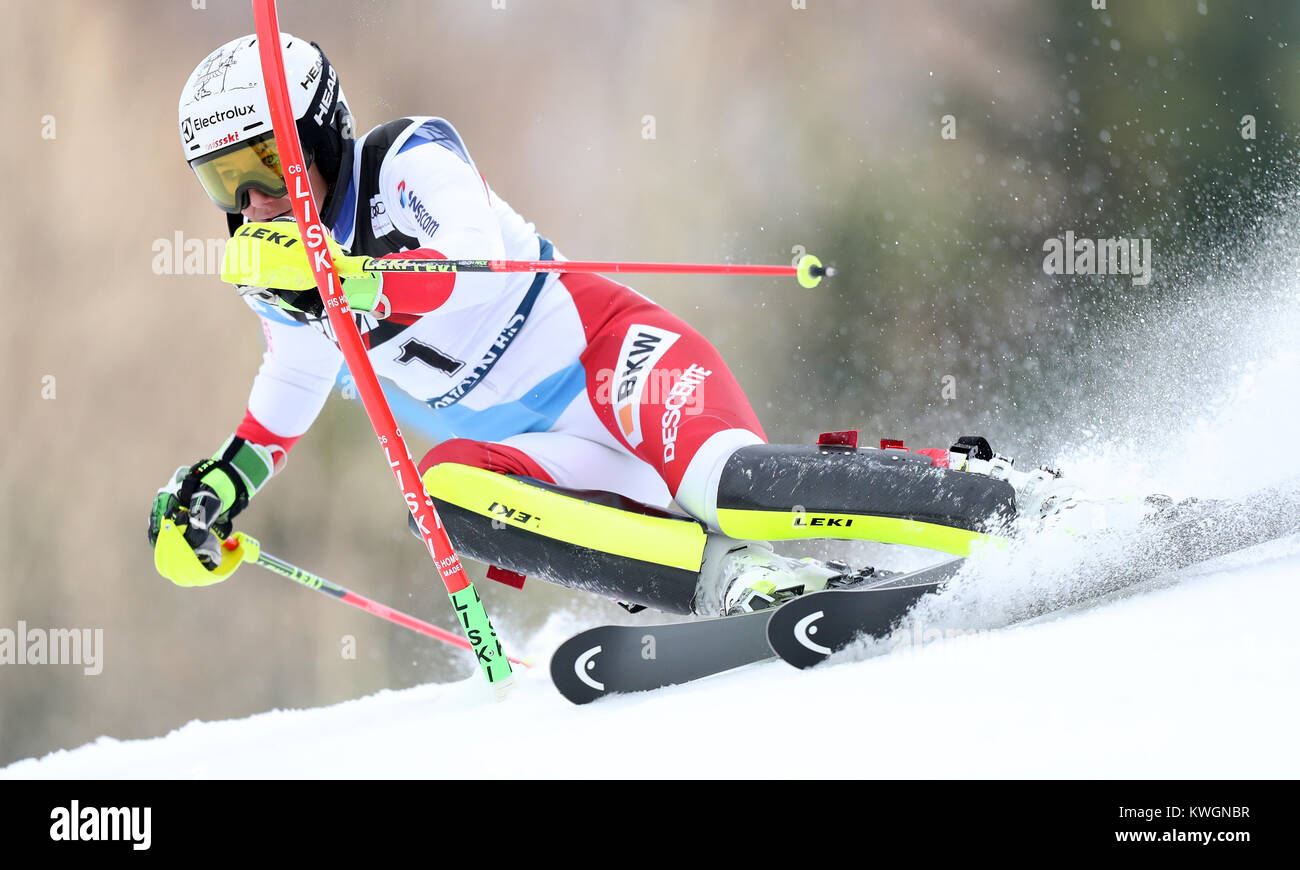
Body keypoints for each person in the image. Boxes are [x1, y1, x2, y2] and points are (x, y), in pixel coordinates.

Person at [150, 33, 1025, 616]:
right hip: (552, 453)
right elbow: (296, 381)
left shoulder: (409, 156)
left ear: (324, 132)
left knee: (732, 489)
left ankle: (990, 500)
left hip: (616, 361)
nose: (254, 201)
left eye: (267, 164)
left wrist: (353, 281)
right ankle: (730, 583)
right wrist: (218, 489)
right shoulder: (276, 279)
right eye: (223, 183)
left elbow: (461, 262)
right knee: (441, 493)